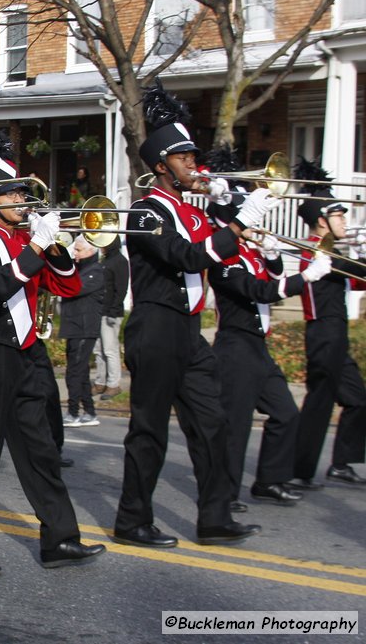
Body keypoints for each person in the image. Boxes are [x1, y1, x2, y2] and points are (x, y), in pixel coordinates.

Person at [112, 80, 274, 548]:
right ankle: (132, 519)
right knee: (150, 431)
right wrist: (239, 223)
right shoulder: (145, 212)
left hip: (189, 329)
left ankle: (215, 517)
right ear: (161, 166)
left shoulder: (192, 211)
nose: (195, 166)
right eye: (184, 159)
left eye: (193, 158)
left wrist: (228, 202)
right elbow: (187, 257)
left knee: (214, 423)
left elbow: (220, 246)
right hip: (156, 326)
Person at [0, 112, 105, 577]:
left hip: (28, 355)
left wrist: (56, 248)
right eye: (13, 194)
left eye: (22, 193)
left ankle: (60, 539)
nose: (22, 201)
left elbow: (69, 288)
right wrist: (35, 247)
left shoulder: (25, 238)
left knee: (41, 451)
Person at [203, 150, 326, 510]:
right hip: (234, 348)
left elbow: (270, 279)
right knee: (235, 427)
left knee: (286, 414)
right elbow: (259, 291)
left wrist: (272, 255)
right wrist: (304, 278)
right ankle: (222, 494)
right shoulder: (223, 258)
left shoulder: (249, 252)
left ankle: (270, 480)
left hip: (258, 346)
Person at [291, 160, 366, 488]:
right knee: (319, 403)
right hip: (323, 333)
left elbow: (356, 280)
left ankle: (341, 462)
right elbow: (353, 271)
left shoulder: (334, 254)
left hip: (335, 334)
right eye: (338, 215)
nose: (344, 221)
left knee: (358, 398)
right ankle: (299, 469)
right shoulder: (316, 253)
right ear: (321, 220)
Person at [60, 236, 103, 427]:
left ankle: (73, 412)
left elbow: (73, 289)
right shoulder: (81, 268)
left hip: (85, 328)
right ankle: (90, 411)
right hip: (74, 326)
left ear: (90, 252)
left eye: (78, 250)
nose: (75, 254)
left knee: (74, 372)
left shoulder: (95, 271)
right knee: (81, 372)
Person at [92, 236, 128, 400]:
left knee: (110, 349)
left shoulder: (119, 261)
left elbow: (121, 289)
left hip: (110, 312)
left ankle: (113, 384)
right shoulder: (105, 260)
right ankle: (100, 381)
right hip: (99, 310)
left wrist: (113, 311)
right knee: (99, 349)